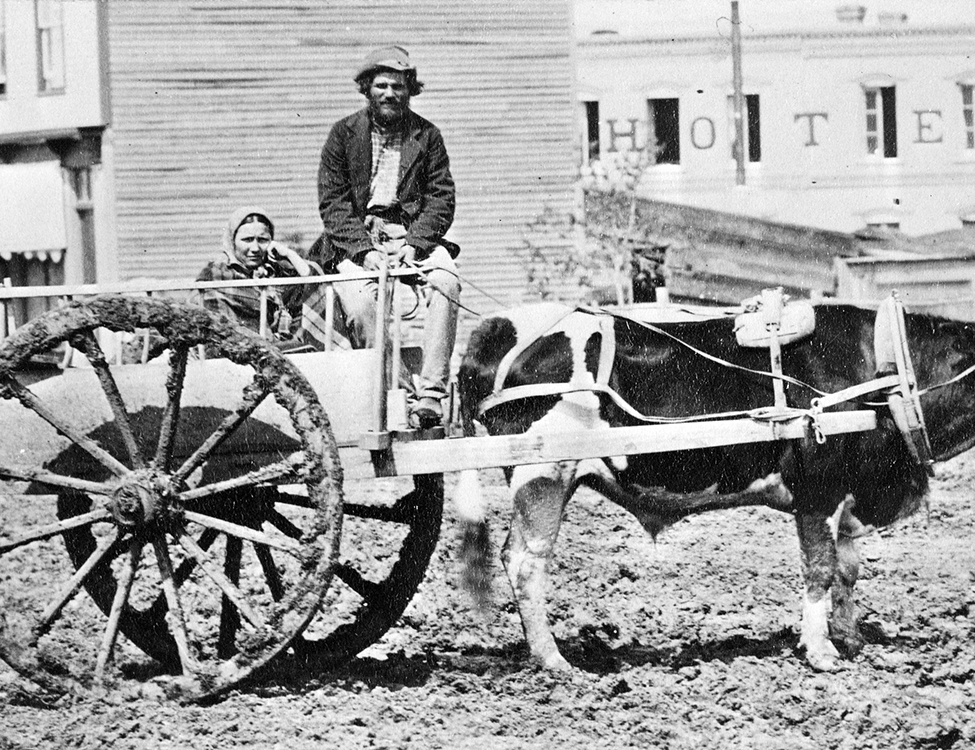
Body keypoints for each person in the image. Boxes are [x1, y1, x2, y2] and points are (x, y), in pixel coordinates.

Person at [317, 45, 461, 428]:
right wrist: (364, 253)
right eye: (381, 85)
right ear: (367, 88)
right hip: (357, 239)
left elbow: (441, 198)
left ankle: (430, 394)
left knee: (446, 280)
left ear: (409, 89)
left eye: (398, 86)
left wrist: (415, 244)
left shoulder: (427, 136)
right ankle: (396, 392)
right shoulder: (342, 135)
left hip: (411, 235)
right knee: (362, 303)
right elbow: (333, 203)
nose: (390, 94)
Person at [197, 206, 314, 340]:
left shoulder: (275, 271)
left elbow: (315, 290)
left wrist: (289, 254)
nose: (255, 248)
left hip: (284, 347)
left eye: (263, 240)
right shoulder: (216, 273)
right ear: (232, 241)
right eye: (247, 240)